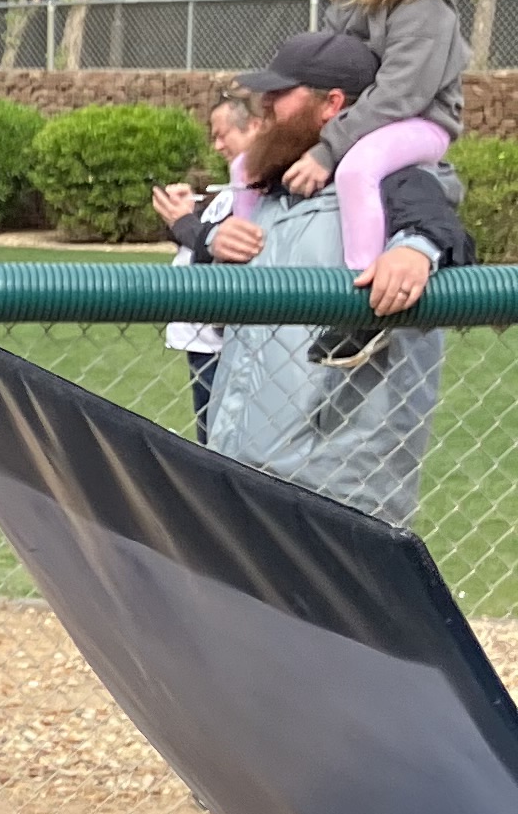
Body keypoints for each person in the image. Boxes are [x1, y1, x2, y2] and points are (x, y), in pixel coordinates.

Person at [203, 27, 470, 530]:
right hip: (241, 465)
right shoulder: (273, 192)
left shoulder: (392, 182)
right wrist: (218, 249)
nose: (265, 105)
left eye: (281, 93)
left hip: (335, 493)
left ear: (332, 104)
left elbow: (440, 229)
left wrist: (415, 251)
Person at [288, 0, 470, 280]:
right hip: (371, 123)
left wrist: (327, 149)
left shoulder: (424, 7)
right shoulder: (351, 3)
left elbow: (398, 96)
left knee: (357, 168)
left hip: (421, 123)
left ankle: (360, 280)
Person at [152, 90, 257, 442]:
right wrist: (187, 216)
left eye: (222, 134)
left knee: (221, 442)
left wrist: (184, 222)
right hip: (203, 340)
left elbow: (224, 248)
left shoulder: (253, 192)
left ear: (252, 128)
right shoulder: (231, 189)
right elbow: (204, 240)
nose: (217, 145)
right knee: (210, 438)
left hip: (222, 345)